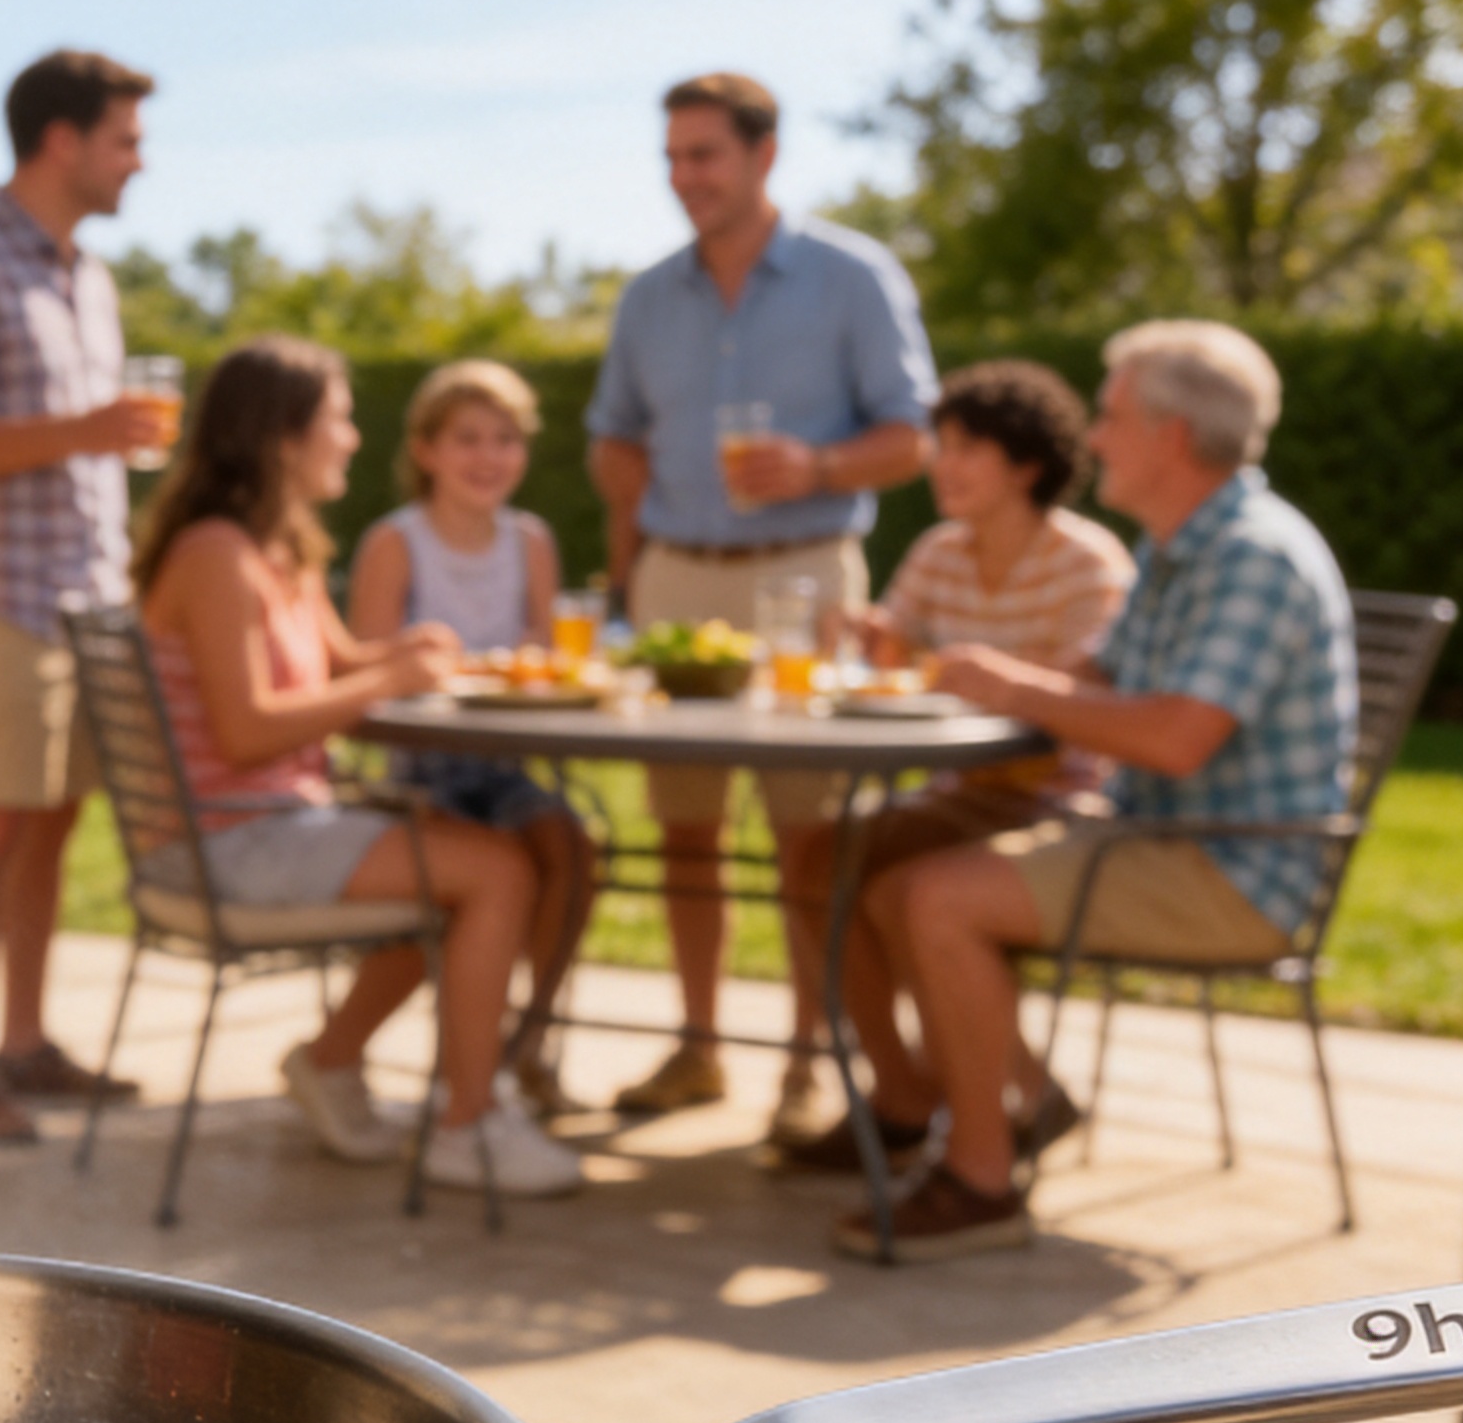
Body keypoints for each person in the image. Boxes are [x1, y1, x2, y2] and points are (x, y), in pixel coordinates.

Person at [832, 321, 1357, 1260]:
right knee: (887, 885)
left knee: (938, 900)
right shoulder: (1177, 546)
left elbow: (1175, 739)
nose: (1095, 439)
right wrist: (1007, 679)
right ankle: (1019, 1102)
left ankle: (982, 1180)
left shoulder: (1251, 557)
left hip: (1234, 870)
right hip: (1153, 838)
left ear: (1170, 434)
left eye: (1110, 418)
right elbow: (1096, 677)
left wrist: (1018, 684)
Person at [136, 336, 587, 1198]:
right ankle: (468, 1128)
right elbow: (246, 731)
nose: (349, 438)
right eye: (337, 421)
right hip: (225, 838)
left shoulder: (279, 550)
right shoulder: (217, 556)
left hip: (275, 819)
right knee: (495, 873)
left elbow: (342, 664)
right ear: (283, 438)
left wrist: (399, 651)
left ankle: (333, 1061)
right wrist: (392, 677)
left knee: (477, 857)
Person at [584, 71, 935, 1142]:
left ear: (764, 155)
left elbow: (913, 434)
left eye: (706, 156)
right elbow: (613, 436)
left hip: (804, 579)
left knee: (807, 837)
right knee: (685, 830)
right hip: (678, 581)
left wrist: (820, 462)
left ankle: (806, 1061)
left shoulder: (851, 277)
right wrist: (630, 531)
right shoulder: (648, 297)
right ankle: (697, 1049)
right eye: (674, 159)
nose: (686, 178)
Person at [0, 49, 174, 1142]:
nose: (139, 163)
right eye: (127, 140)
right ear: (64, 139)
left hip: (85, 600)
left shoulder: (85, 277)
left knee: (51, 829)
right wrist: (83, 431)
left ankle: (23, 1043)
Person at [773, 359, 1133, 1176]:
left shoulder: (1088, 564)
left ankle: (1023, 1091)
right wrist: (871, 637)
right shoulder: (939, 553)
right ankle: (902, 1094)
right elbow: (895, 650)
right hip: (959, 788)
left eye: (967, 448)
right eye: (942, 444)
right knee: (813, 861)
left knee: (905, 884)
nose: (944, 463)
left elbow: (1085, 694)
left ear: (1027, 466)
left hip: (1056, 794)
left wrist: (976, 668)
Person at [345, 360, 599, 1119]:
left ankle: (527, 1042)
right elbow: (367, 672)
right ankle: (468, 1062)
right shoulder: (397, 543)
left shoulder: (531, 542)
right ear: (425, 450)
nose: (489, 457)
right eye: (467, 439)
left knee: (570, 850)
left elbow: (548, 660)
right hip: (422, 772)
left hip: (504, 767)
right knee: (499, 868)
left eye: (505, 439)